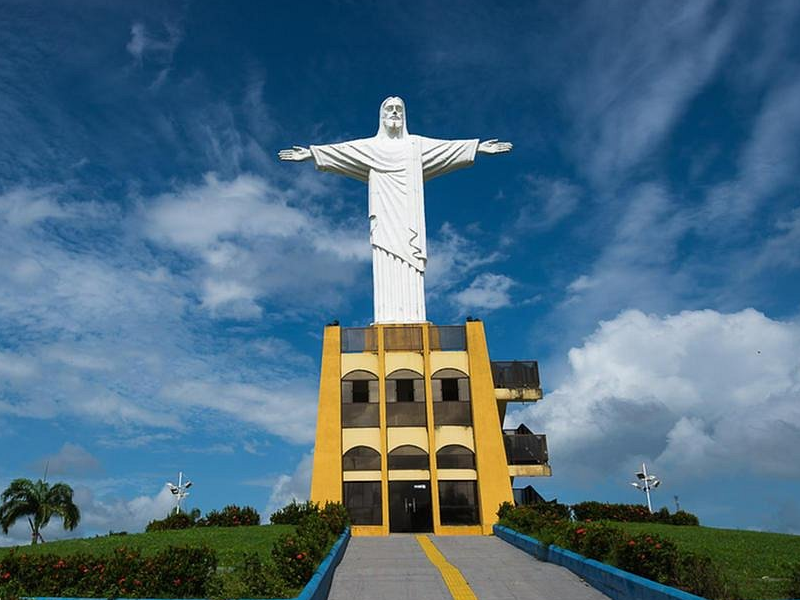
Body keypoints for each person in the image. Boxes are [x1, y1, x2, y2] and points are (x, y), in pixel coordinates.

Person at [279, 96, 512, 324]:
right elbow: (342, 152)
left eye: (399, 109)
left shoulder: (416, 146)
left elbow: (447, 149)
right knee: (384, 258)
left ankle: (415, 318)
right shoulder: (371, 147)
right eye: (389, 109)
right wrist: (311, 154)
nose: (394, 113)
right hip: (383, 213)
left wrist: (478, 149)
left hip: (409, 215)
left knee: (411, 261)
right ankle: (385, 318)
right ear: (381, 116)